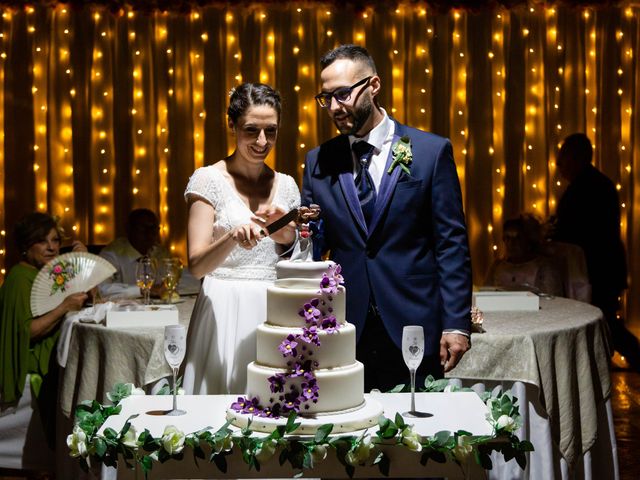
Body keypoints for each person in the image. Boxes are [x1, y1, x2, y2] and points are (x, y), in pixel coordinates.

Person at [302, 45, 472, 392]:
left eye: (343, 94)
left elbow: (451, 244)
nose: (334, 107)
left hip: (414, 323)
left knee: (417, 436)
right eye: (326, 98)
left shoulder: (429, 152)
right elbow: (316, 243)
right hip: (346, 328)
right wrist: (293, 232)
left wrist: (456, 323)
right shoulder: (318, 162)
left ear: (374, 85)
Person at [182, 83, 300, 395]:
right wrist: (232, 237)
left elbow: (297, 262)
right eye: (252, 130)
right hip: (223, 309)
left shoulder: (287, 186)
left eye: (271, 131)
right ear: (232, 125)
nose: (263, 141)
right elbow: (195, 265)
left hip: (274, 312)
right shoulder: (208, 179)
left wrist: (289, 237)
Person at [0, 212, 88, 451]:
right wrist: (64, 307)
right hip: (30, 361)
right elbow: (27, 332)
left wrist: (83, 265)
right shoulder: (20, 278)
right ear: (27, 246)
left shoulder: (46, 275)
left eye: (55, 240)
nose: (51, 248)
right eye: (42, 241)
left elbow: (88, 299)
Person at [552, 132, 640, 369]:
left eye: (562, 158)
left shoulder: (590, 187)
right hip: (600, 268)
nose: (558, 164)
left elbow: (580, 230)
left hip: (599, 269)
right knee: (605, 321)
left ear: (576, 158)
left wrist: (552, 233)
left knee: (606, 322)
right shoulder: (591, 184)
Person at [99, 208, 199, 299]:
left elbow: (188, 279)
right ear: (129, 229)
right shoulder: (112, 254)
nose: (150, 233)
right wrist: (141, 290)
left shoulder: (160, 252)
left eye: (154, 228)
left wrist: (168, 287)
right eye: (143, 228)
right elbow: (100, 289)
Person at [485, 214, 564, 297]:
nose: (512, 243)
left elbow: (552, 299)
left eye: (518, 238)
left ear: (527, 240)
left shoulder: (544, 267)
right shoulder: (496, 266)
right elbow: (485, 295)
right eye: (508, 238)